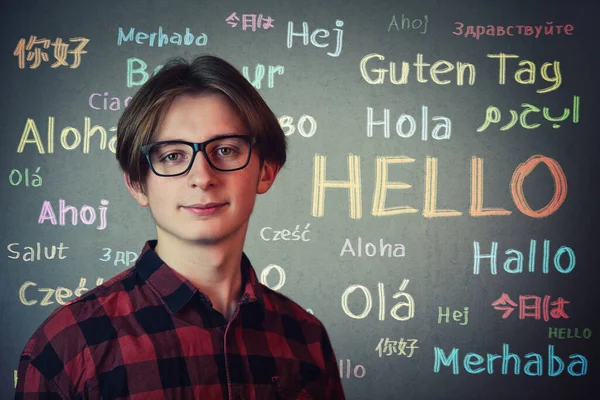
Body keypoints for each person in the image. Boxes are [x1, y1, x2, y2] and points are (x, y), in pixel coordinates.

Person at [15, 55, 346, 399]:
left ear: (266, 170)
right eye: (172, 156)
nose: (202, 177)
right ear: (137, 184)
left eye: (226, 150)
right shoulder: (69, 346)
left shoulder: (305, 339)